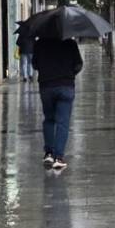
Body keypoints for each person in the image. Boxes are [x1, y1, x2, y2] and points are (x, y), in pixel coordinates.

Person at [33, 37, 83, 171]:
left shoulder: (40, 43)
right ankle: (58, 157)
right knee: (63, 122)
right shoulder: (70, 43)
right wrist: (69, 74)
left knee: (49, 119)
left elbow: (35, 65)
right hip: (66, 86)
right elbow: (78, 64)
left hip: (46, 86)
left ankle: (48, 153)